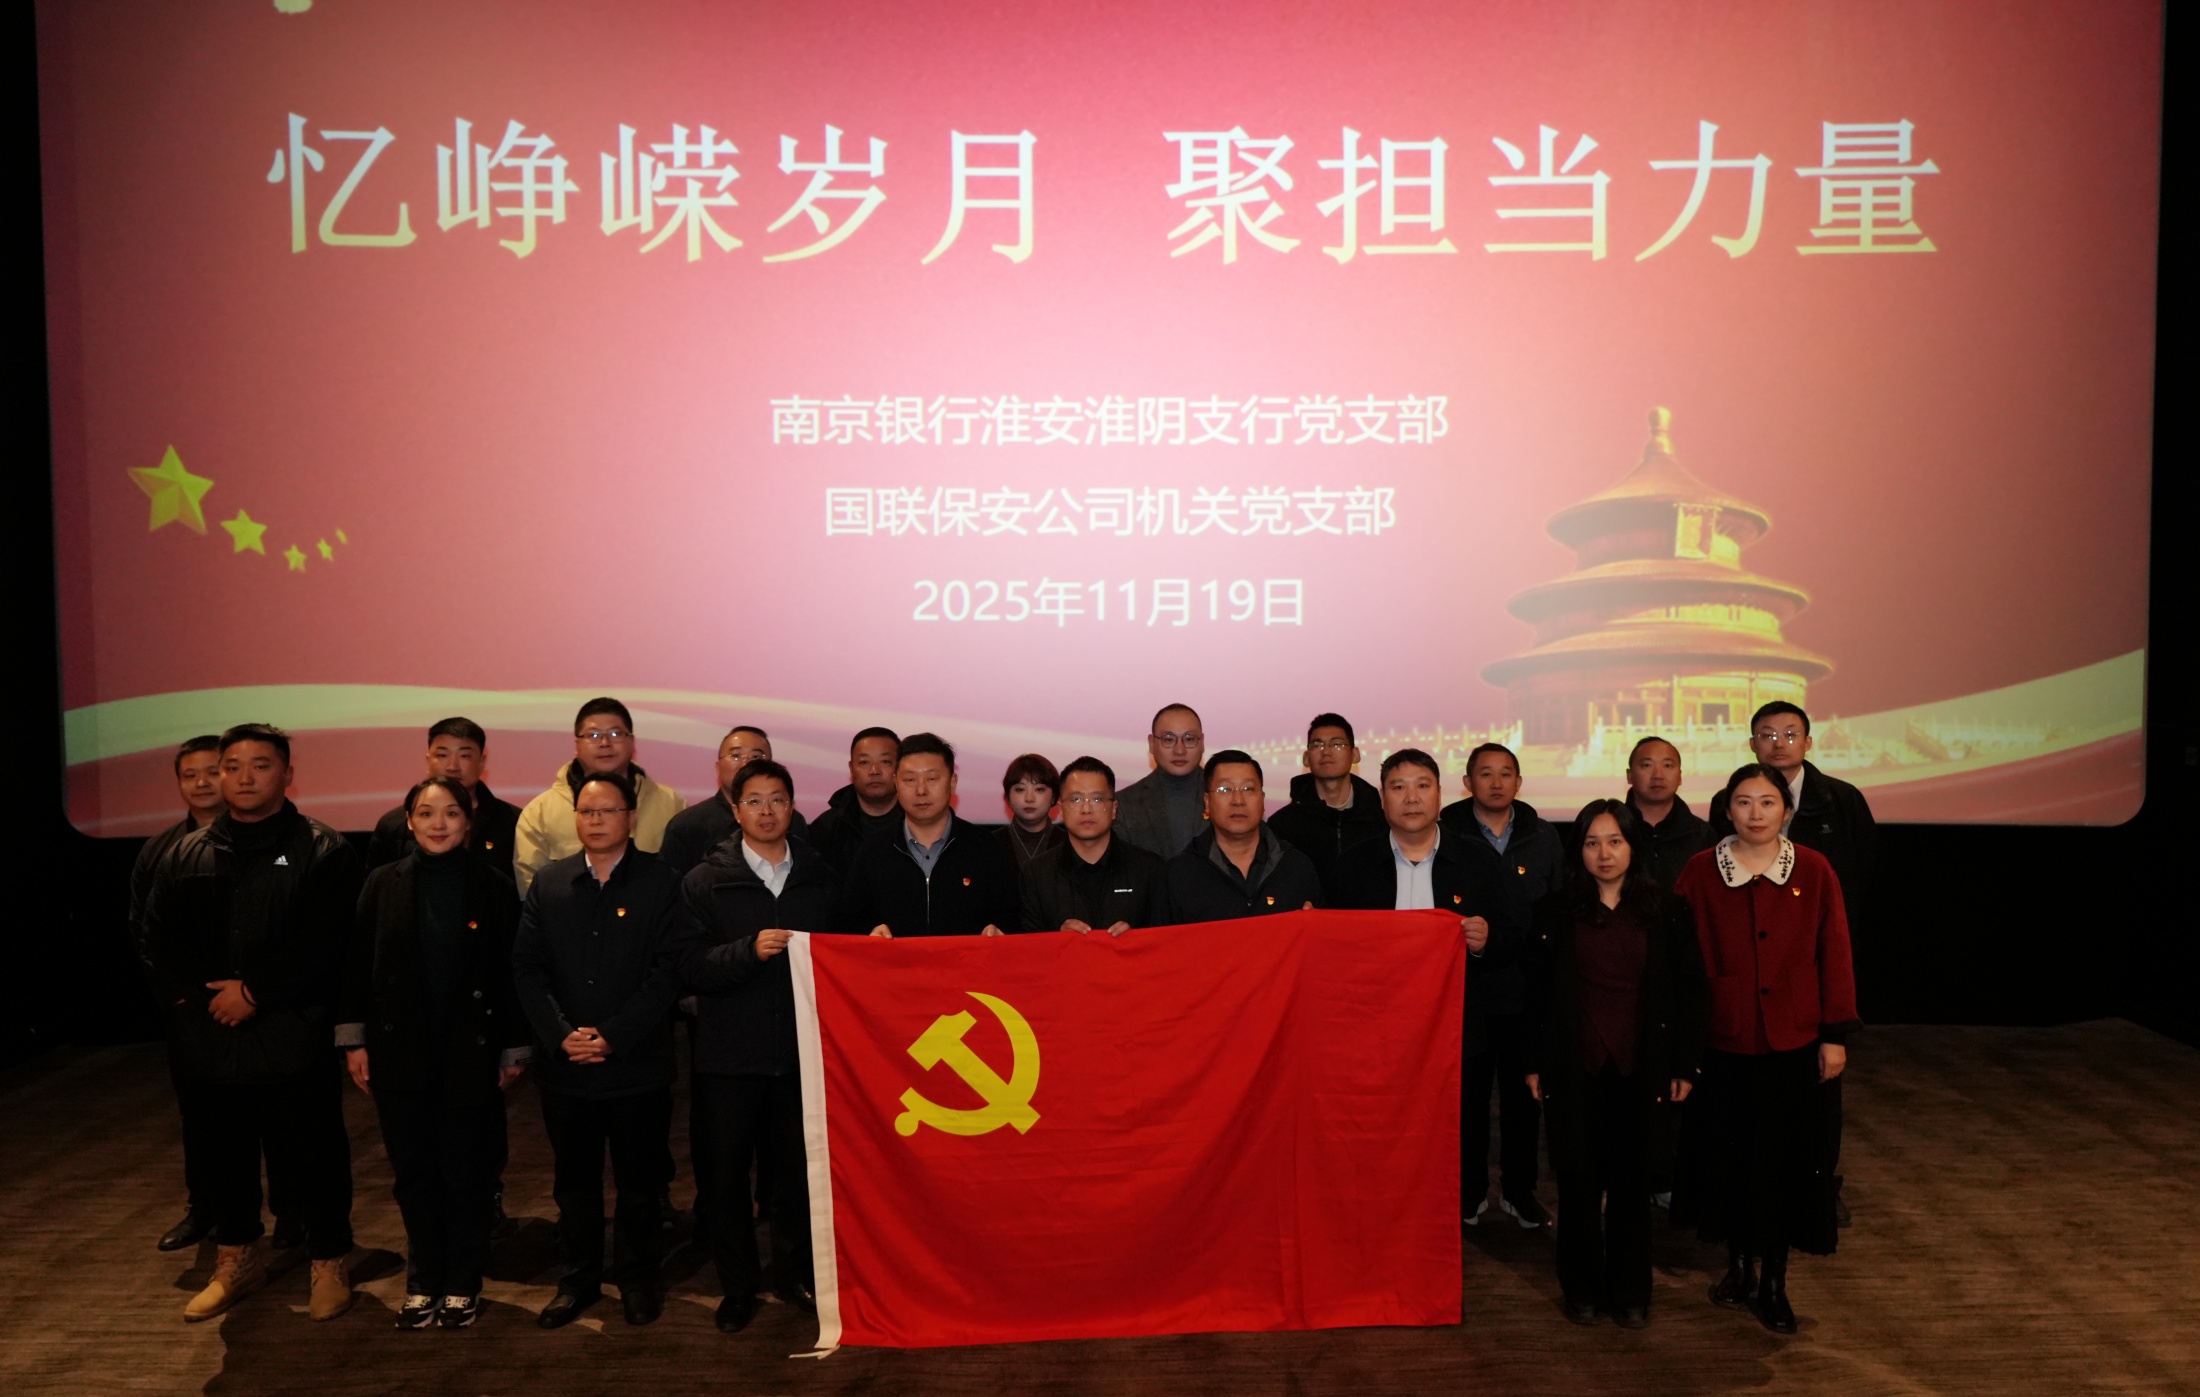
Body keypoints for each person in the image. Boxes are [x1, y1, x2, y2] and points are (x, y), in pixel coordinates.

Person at [139, 724, 364, 1322]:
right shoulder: (186, 852)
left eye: (260, 766)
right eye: (231, 766)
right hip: (212, 1037)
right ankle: (235, 1261)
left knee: (314, 1155)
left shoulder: (323, 849)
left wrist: (256, 993)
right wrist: (199, 1004)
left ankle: (329, 1261)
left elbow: (328, 944)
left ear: (287, 774)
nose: (243, 778)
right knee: (224, 1157)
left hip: (294, 1033)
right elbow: (157, 942)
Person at [1672, 763, 1857, 1335]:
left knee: (1784, 1163)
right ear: (1726, 810)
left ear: (1787, 810)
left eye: (1768, 802)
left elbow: (1835, 950)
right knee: (1729, 1157)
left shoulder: (1815, 868)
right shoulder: (1700, 870)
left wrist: (1834, 1035)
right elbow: (1680, 961)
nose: (1756, 813)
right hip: (1723, 1039)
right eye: (1744, 802)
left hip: (1794, 1040)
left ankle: (1774, 1279)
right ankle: (1738, 1267)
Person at [337, 778, 529, 1330]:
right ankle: (424, 1281)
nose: (438, 823)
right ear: (409, 820)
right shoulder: (382, 882)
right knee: (414, 1175)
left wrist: (515, 1046)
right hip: (400, 1052)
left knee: (468, 1175)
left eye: (450, 813)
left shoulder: (493, 885)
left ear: (468, 821)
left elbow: (511, 972)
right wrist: (354, 1040)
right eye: (426, 813)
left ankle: (463, 1281)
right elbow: (356, 964)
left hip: (470, 1052)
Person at [511, 769, 699, 1328]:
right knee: (574, 1184)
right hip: (566, 1067)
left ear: (631, 818)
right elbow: (527, 969)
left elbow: (669, 971)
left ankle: (638, 1279)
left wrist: (614, 1035)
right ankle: (578, 1280)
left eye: (608, 811)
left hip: (637, 1064)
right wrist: (560, 1034)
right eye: (586, 812)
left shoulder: (663, 882)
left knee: (640, 1184)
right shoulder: (550, 883)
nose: (596, 821)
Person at [1522, 799, 1709, 1329]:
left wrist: (1685, 1065)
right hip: (1573, 1065)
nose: (1603, 854)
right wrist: (1534, 1062)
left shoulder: (1667, 910)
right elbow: (1536, 994)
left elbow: (1692, 991)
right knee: (1577, 1182)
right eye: (1591, 843)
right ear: (1577, 850)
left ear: (1633, 847)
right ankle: (1581, 1288)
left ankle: (1631, 1291)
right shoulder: (1555, 910)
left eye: (1615, 841)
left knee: (1632, 1185)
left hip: (1642, 1066)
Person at [679, 759, 841, 1333]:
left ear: (793, 807)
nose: (766, 811)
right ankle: (738, 1287)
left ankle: (793, 1275)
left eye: (777, 800)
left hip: (802, 1056)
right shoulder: (705, 880)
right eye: (754, 801)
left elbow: (844, 954)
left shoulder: (821, 876)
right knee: (726, 1180)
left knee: (798, 1176)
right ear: (735, 809)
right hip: (729, 1057)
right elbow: (687, 966)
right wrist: (747, 951)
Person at [1332, 749, 1521, 1216]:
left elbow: (1513, 936)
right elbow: (1335, 948)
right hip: (1377, 1031)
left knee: (1462, 1121)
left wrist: (1485, 941)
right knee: (1382, 1123)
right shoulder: (1353, 865)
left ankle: (1464, 1201)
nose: (1411, 798)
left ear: (1440, 794)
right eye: (1398, 788)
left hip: (1456, 1025)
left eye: (1422, 786)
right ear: (1382, 798)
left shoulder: (1477, 861)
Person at [1749, 700, 1877, 1225]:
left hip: (1815, 967)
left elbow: (1863, 877)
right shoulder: (1732, 799)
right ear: (1752, 744)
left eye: (1789, 734)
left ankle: (1820, 1185)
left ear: (1808, 742)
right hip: (1754, 966)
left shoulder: (1841, 800)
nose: (1778, 743)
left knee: (1820, 1086)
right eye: (1767, 734)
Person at [1440, 742, 1563, 1230]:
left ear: (1519, 782)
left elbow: (1558, 906)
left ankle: (1518, 1191)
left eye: (1506, 773)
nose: (1496, 782)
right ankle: (1469, 1192)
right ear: (1467, 783)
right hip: (1465, 989)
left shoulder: (1543, 836)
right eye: (1485, 773)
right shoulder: (1445, 833)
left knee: (1522, 1100)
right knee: (1467, 1100)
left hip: (1525, 988)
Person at [129, 736, 226, 1254]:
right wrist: (180, 1000)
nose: (203, 783)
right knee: (201, 1115)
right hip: (191, 1011)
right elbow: (144, 934)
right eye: (191, 775)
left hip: (260, 1002)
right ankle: (204, 1210)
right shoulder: (160, 849)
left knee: (276, 1119)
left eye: (213, 771)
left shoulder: (272, 841)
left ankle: (292, 1216)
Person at [845, 734, 1021, 937]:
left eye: (932, 779)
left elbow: (1011, 917)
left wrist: (998, 932)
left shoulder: (985, 847)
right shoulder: (873, 851)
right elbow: (849, 922)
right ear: (896, 784)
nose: (921, 790)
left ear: (952, 783)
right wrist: (870, 934)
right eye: (910, 780)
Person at [512, 697, 687, 896]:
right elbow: (532, 889)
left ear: (632, 742)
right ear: (577, 744)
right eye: (593, 735)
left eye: (615, 734)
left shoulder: (671, 804)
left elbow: (683, 882)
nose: (605, 743)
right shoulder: (540, 812)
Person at [1152, 751, 1322, 923]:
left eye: (1248, 789)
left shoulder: (1296, 867)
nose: (1238, 800)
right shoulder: (1178, 874)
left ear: (1262, 799)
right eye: (1225, 790)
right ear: (1207, 802)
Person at [1020, 756, 1164, 934]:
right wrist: (1057, 940)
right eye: (1076, 800)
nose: (1086, 809)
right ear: (1061, 809)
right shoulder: (1036, 874)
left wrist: (1136, 939)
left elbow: (1164, 941)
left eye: (1097, 799)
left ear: (1114, 809)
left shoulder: (1148, 869)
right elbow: (1028, 945)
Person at [365, 717, 522, 871]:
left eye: (464, 756)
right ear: (428, 761)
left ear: (481, 763)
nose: (452, 766)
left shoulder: (512, 821)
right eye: (442, 755)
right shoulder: (394, 824)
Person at [658, 726, 809, 878]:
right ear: (718, 767)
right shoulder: (687, 825)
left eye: (756, 757)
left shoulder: (793, 821)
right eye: (736, 756)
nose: (745, 764)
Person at [1268, 713, 1385, 901]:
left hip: (1368, 919)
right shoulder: (1281, 826)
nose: (1326, 751)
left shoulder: (1381, 821)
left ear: (1355, 754)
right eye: (1317, 745)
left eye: (1337, 744)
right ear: (1306, 758)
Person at [1622, 736, 1716, 899]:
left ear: (1679, 777)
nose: (1658, 775)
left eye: (1667, 766)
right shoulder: (1615, 830)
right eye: (1646, 765)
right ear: (1630, 775)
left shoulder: (1701, 834)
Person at [1113, 704, 1210, 859]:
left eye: (1189, 739)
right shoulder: (1124, 804)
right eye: (1169, 739)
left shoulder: (1226, 796)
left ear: (1202, 742)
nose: (1179, 750)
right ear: (1152, 744)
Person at [807, 727, 903, 874]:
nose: (874, 771)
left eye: (885, 761)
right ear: (852, 768)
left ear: (900, 766)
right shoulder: (826, 828)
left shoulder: (918, 822)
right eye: (864, 762)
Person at [995, 752, 1067, 871]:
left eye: (1039, 789)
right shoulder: (991, 843)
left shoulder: (1069, 843)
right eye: (1020, 789)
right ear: (1008, 797)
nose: (1029, 798)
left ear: (1054, 796)